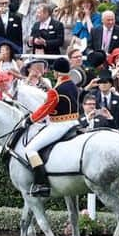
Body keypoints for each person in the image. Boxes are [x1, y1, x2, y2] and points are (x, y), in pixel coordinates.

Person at [23, 60, 83, 198]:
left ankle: (42, 184)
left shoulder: (56, 91)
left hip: (59, 125)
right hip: (75, 122)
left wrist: (30, 120)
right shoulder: (72, 85)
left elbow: (45, 110)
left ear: (56, 72)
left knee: (30, 149)